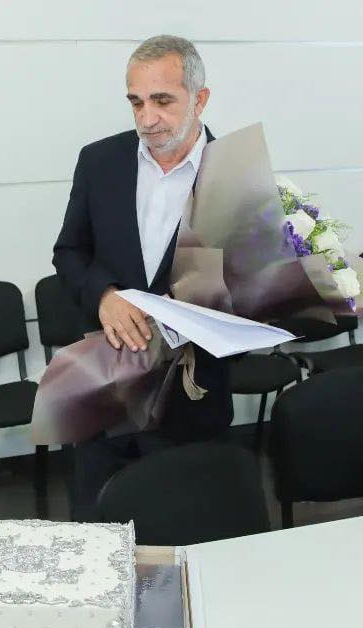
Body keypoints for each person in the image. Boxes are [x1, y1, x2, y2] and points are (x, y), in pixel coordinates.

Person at [52, 36, 233, 521]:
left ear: (200, 99)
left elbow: (250, 290)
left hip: (191, 405)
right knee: (97, 536)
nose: (147, 118)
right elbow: (69, 253)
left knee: (187, 536)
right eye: (136, 102)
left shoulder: (235, 175)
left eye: (163, 101)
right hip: (106, 392)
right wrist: (104, 296)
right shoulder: (100, 161)